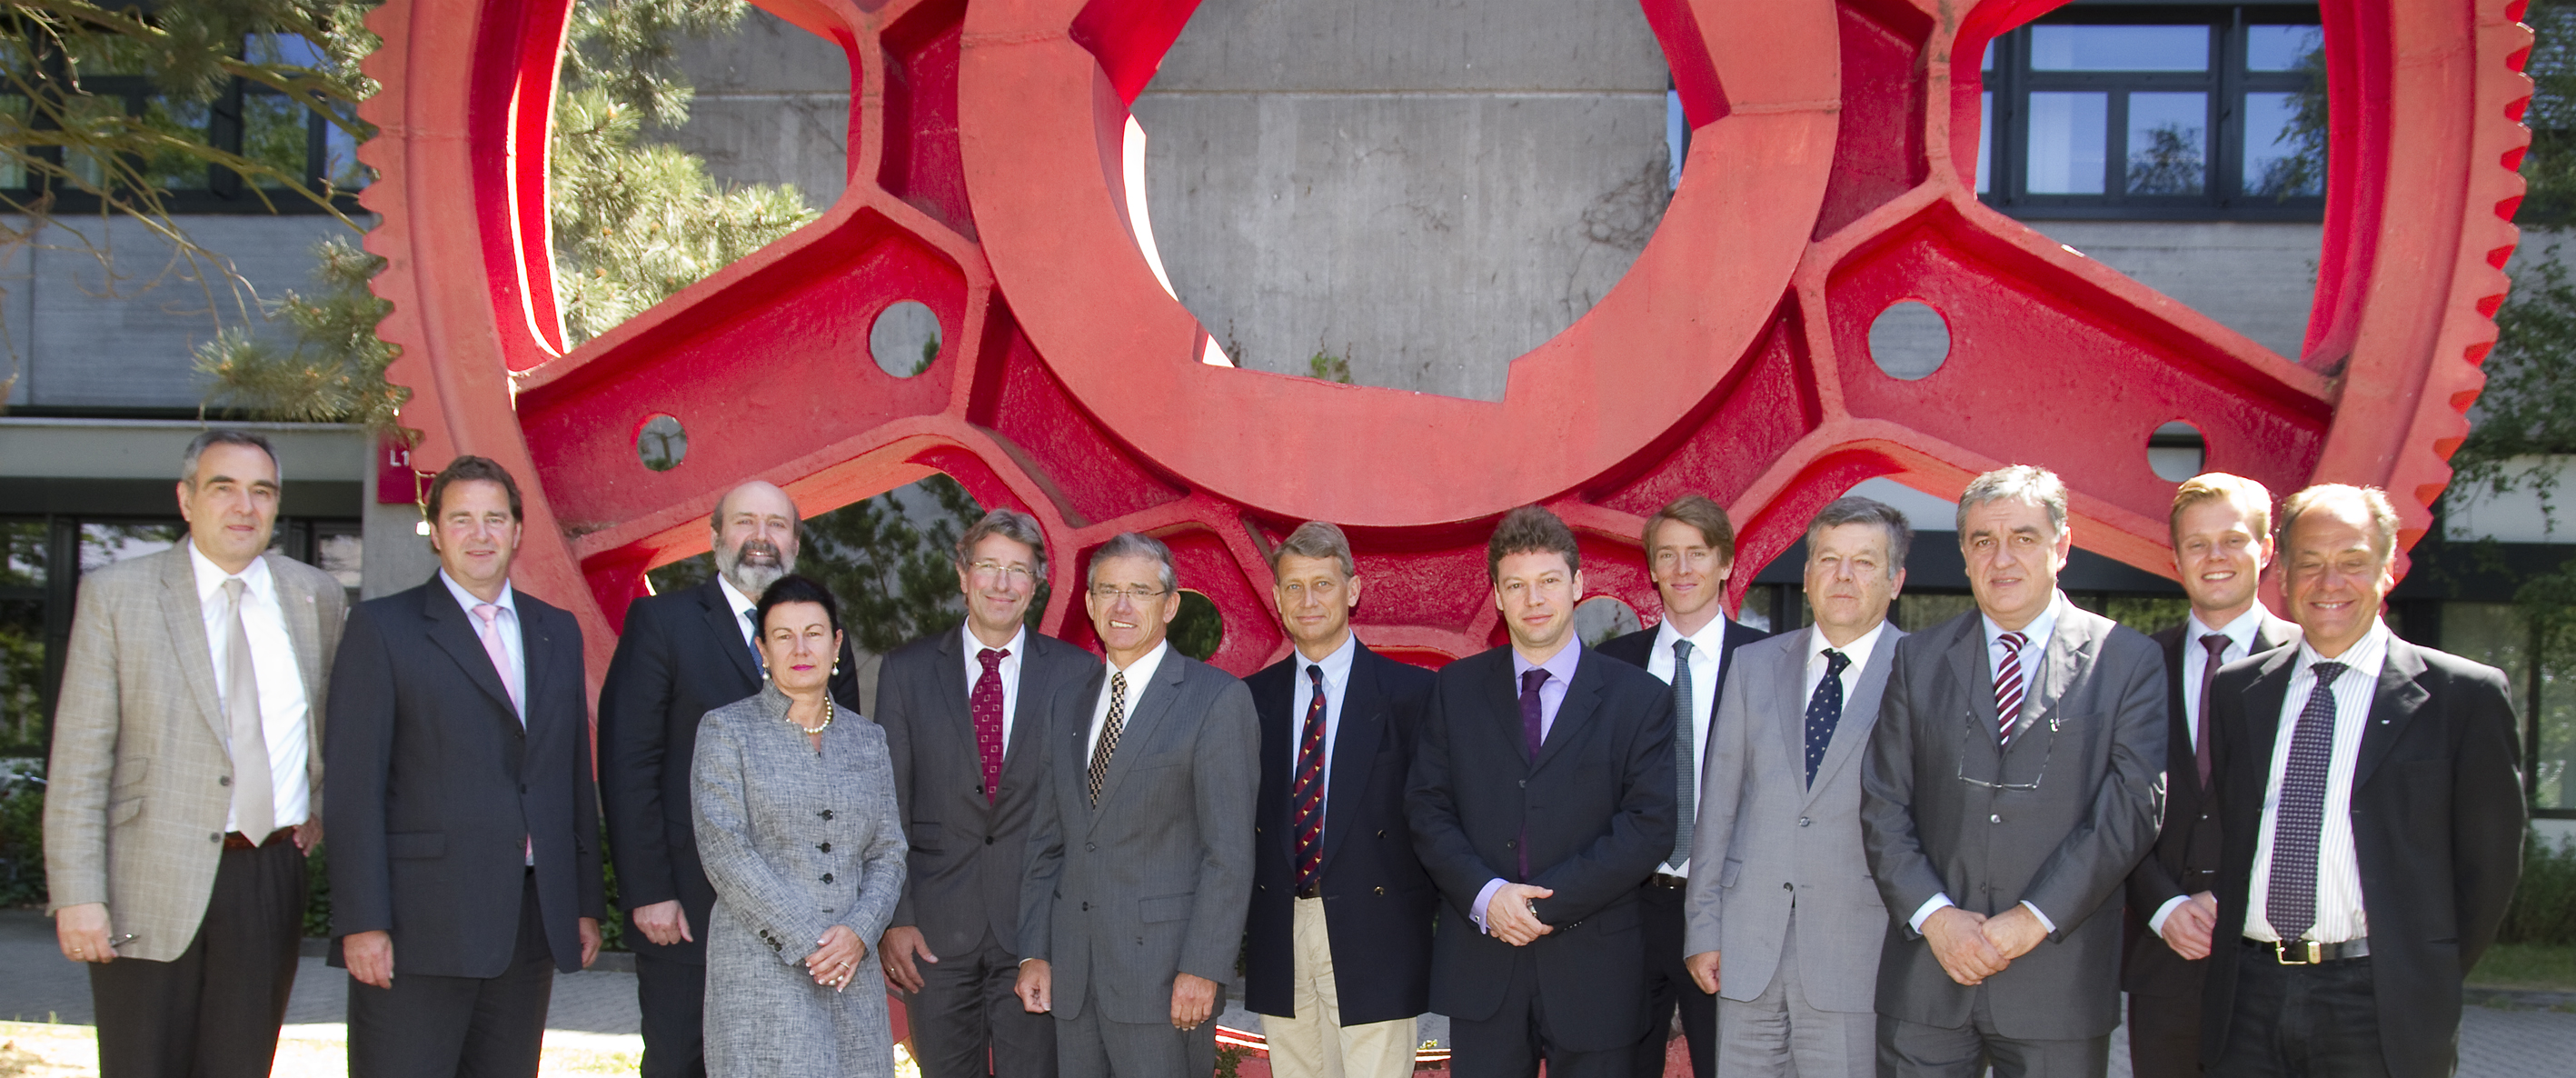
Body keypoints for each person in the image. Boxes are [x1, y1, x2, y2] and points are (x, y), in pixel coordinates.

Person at [43, 429, 348, 1078]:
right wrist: (77, 894)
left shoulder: (314, 597)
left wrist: (314, 804)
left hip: (269, 872)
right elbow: (79, 762)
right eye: (223, 488)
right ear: (186, 500)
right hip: (145, 879)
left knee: (242, 1064)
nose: (244, 506)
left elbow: (326, 722)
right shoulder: (117, 595)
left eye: (261, 491)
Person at [2200, 484, 2525, 1078]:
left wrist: (2420, 966)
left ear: (2387, 570)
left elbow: (2489, 868)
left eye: (2351, 562)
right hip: (2246, 996)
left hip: (2377, 1003)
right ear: (2284, 573)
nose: (2329, 583)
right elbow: (2230, 831)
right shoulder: (2236, 690)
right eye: (2311, 563)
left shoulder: (2463, 697)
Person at [1859, 464, 2164, 1078]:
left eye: (2022, 537)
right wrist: (1935, 918)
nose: (2001, 558)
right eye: (1981, 541)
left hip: (2057, 981)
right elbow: (1882, 802)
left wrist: (2031, 921)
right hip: (1929, 979)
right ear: (1965, 558)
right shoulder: (1917, 660)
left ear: (2062, 547)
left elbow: (2129, 810)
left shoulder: (2126, 660)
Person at [325, 455, 605, 1078]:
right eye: (461, 519)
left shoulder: (555, 631)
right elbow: (352, 788)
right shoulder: (382, 628)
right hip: (416, 929)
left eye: (494, 519)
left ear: (517, 530)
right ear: (434, 531)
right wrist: (362, 921)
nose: (480, 534)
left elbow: (566, 778)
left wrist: (583, 901)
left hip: (527, 925)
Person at [600, 480, 863, 1078]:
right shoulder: (662, 622)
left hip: (804, 915)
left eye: (776, 526)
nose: (761, 538)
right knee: (683, 1062)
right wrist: (648, 891)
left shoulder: (822, 634)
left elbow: (845, 773)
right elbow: (628, 762)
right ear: (716, 537)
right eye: (746, 523)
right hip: (690, 908)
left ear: (795, 541)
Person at [1406, 505, 1676, 1078]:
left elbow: (1648, 825)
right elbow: (1428, 808)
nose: (1534, 599)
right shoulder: (1455, 691)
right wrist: (1488, 896)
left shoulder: (1640, 699)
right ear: (1498, 596)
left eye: (1549, 581)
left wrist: (1538, 904)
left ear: (1577, 585)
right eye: (1517, 585)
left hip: (1596, 970)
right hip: (1484, 964)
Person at [1014, 533, 1259, 1077]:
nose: (1121, 606)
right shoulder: (1067, 704)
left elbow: (1230, 853)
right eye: (1108, 590)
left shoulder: (1215, 700)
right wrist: (1035, 950)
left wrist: (1204, 965)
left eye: (1140, 592)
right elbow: (1047, 842)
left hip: (1166, 980)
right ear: (1089, 604)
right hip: (1073, 980)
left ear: (1170, 605)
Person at [1684, 496, 1912, 1078]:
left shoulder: (1921, 674)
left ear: (1895, 581)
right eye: (1828, 559)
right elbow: (1718, 810)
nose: (1842, 575)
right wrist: (1702, 927)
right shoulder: (1754, 666)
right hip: (1744, 946)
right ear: (1807, 577)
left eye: (1863, 562)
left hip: (1858, 951)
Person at [875, 509, 1095, 1078]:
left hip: (1035, 931)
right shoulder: (907, 672)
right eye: (989, 567)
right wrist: (894, 918)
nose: (1002, 583)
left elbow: (1084, 815)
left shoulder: (1076, 674)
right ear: (962, 574)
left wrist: (1061, 931)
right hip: (932, 933)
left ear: (1036, 583)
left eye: (1018, 571)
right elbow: (888, 807)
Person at [691, 574, 910, 1078]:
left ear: (836, 643)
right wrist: (815, 944)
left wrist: (857, 933)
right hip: (761, 971)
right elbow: (724, 851)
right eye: (783, 636)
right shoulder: (726, 731)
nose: (800, 647)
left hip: (852, 970)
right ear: (762, 649)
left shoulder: (867, 739)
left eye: (813, 632)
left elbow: (887, 852)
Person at [1243, 522, 1438, 1078]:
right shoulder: (1251, 700)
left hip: (1376, 933)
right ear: (1278, 597)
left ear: (1352, 590)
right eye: (1294, 586)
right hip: (1283, 930)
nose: (1309, 600)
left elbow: (1433, 818)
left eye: (1323, 584)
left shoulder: (1412, 695)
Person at [2123, 474, 2299, 1078]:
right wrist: (2162, 904)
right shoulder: (2135, 667)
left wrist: (2232, 900)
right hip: (2162, 955)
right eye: (2197, 545)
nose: (2215, 557)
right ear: (2174, 559)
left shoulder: (2310, 667)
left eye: (2232, 539)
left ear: (2266, 549)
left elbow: (2316, 809)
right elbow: (2109, 805)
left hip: (2268, 959)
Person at [1595, 494, 1768, 1078]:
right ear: (1651, 570)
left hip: (1725, 910)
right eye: (1667, 555)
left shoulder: (1769, 661)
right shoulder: (1612, 665)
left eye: (1698, 553)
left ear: (1725, 564)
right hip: (1630, 908)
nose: (1683, 569)